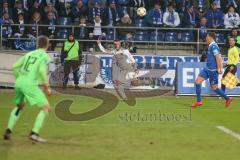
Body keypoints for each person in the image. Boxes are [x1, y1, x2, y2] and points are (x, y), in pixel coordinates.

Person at [3, 36, 52, 143]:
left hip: (19, 82)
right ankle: (34, 133)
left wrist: (19, 79)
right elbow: (42, 71)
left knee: (20, 106)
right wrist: (46, 87)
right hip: (30, 84)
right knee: (46, 107)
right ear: (47, 45)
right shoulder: (44, 56)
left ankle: (8, 131)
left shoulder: (29, 54)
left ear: (37, 44)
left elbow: (15, 66)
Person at [191, 32, 233, 108]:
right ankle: (199, 101)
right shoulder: (210, 46)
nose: (206, 38)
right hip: (207, 69)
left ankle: (228, 98)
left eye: (207, 36)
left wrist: (220, 68)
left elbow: (218, 57)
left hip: (213, 71)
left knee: (214, 88)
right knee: (197, 82)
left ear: (210, 37)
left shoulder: (214, 46)